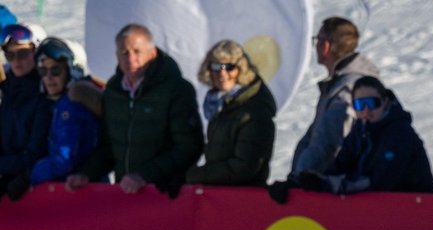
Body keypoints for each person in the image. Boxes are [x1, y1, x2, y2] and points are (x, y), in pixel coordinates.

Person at [68, 24, 203, 196]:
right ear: (117, 56)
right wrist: (86, 173)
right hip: (126, 195)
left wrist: (144, 176)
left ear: (152, 54)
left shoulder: (176, 90)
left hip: (167, 195)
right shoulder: (114, 91)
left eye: (137, 51)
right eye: (124, 53)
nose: (130, 59)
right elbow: (110, 146)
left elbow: (189, 147)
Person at [294, 75, 433, 195]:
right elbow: (338, 167)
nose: (366, 111)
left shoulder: (400, 133)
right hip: (383, 212)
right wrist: (302, 183)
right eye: (360, 105)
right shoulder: (360, 132)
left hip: (418, 211)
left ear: (385, 102)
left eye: (372, 103)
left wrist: (329, 185)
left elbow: (379, 182)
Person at [287, 17, 380, 180]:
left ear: (326, 46)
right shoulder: (342, 84)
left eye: (317, 40)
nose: (315, 45)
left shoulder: (347, 89)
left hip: (331, 187)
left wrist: (300, 177)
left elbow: (328, 143)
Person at [185, 39, 276, 187]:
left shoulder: (254, 110)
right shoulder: (220, 106)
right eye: (216, 66)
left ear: (241, 68)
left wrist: (194, 176)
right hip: (219, 195)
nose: (222, 73)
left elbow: (244, 167)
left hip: (243, 198)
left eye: (229, 66)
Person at [18, 37, 101, 198]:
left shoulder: (70, 108)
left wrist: (29, 175)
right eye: (43, 71)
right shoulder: (58, 104)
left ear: (71, 71)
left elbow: (63, 160)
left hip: (77, 194)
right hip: (76, 190)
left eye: (56, 71)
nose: (49, 77)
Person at [0, 22, 53, 197]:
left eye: (23, 53)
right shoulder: (7, 90)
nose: (16, 61)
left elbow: (35, 153)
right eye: (10, 55)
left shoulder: (46, 92)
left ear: (37, 54)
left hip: (35, 188)